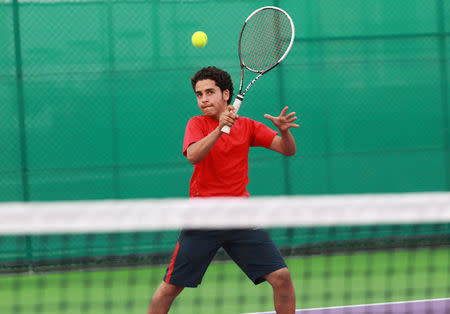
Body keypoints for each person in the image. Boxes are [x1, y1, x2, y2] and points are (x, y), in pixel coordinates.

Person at [147, 66, 298, 314]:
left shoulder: (248, 126)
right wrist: (219, 128)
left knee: (282, 277)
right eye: (199, 94)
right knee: (170, 288)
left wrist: (284, 131)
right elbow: (194, 155)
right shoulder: (195, 124)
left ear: (226, 94)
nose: (203, 99)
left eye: (210, 92)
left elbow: (287, 149)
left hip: (239, 217)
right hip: (203, 219)